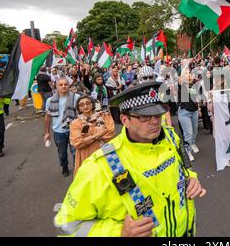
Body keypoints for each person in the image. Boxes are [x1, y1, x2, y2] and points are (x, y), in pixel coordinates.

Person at [54, 81, 206, 237]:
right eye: (144, 117)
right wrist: (119, 233)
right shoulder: (99, 166)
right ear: (125, 120)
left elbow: (185, 169)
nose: (155, 121)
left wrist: (191, 179)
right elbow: (67, 224)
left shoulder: (171, 136)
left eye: (158, 114)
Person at [69, 95, 115, 175]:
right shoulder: (75, 123)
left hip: (107, 153)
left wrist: (87, 138)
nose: (85, 106)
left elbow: (110, 134)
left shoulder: (104, 116)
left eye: (88, 103)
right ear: (78, 108)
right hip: (88, 156)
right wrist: (97, 134)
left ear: (92, 104)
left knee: (111, 177)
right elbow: (78, 144)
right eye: (82, 105)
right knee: (91, 179)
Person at [44, 78, 80, 177]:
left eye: (65, 84)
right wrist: (47, 132)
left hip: (73, 130)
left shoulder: (76, 97)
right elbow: (48, 117)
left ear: (69, 86)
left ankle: (77, 169)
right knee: (62, 154)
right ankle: (64, 166)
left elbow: (82, 112)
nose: (63, 86)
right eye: (61, 84)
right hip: (58, 132)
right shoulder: (50, 100)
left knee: (75, 153)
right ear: (56, 86)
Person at [178, 68, 200, 162]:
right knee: (188, 134)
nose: (188, 75)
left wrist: (199, 109)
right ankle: (188, 151)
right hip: (184, 113)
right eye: (186, 73)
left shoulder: (194, 84)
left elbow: (195, 97)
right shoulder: (181, 84)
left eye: (189, 73)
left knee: (195, 132)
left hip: (194, 111)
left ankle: (192, 143)